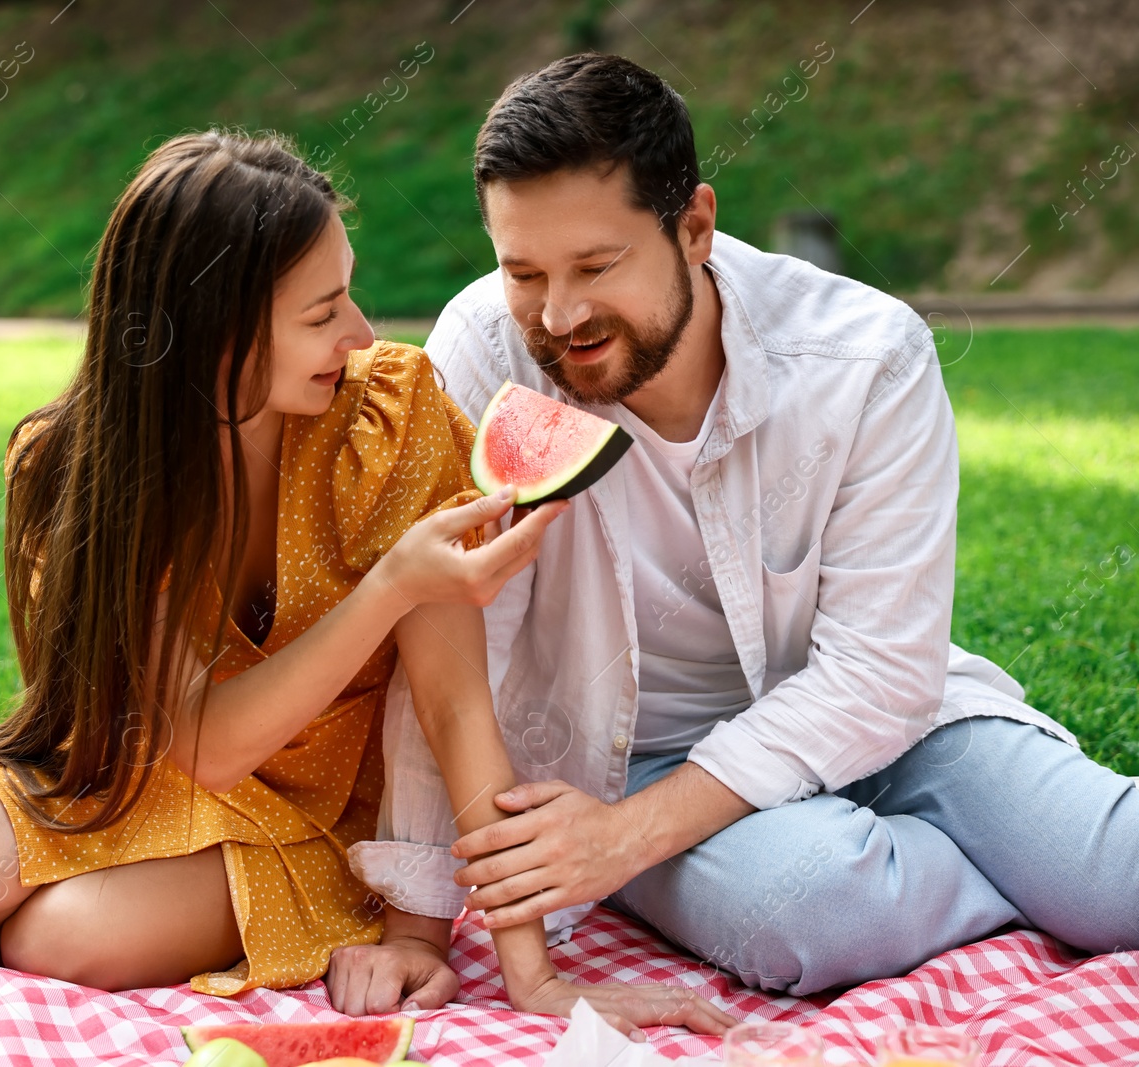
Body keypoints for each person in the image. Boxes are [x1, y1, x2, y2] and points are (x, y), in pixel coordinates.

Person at [0, 128, 734, 1034]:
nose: (362, 333)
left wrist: (530, 973)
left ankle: (159, 893)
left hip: (324, 818)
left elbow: (454, 710)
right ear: (217, 335)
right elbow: (201, 744)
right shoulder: (68, 465)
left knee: (58, 937)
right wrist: (390, 585)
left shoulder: (390, 422)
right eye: (323, 313)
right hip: (161, 769)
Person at [338, 53, 1139, 1005]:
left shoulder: (867, 355)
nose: (559, 316)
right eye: (524, 272)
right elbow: (451, 649)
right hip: (625, 761)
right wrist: (421, 921)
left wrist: (622, 847)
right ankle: (977, 882)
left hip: (885, 721)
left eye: (597, 266)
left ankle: (1023, 876)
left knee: (1119, 876)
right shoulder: (482, 350)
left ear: (695, 227)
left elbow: (881, 669)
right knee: (824, 909)